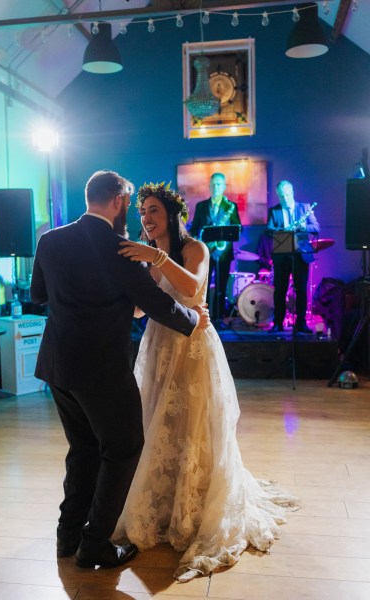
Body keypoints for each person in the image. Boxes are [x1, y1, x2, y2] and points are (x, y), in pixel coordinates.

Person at [115, 182, 299, 581]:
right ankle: (163, 501)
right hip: (159, 345)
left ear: (172, 215)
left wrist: (157, 257)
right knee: (157, 423)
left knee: (196, 421)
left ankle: (197, 502)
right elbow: (135, 312)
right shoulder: (143, 259)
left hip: (194, 344)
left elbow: (194, 288)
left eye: (153, 212)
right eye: (142, 212)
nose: (146, 218)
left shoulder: (195, 248)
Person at [30, 170, 210, 570]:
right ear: (118, 201)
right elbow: (158, 305)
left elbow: (38, 295)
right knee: (123, 447)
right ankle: (94, 543)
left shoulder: (50, 240)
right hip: (102, 369)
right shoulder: (122, 249)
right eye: (130, 203)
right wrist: (195, 320)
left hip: (58, 366)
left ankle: (68, 536)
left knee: (83, 448)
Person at [266, 180, 320, 334]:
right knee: (280, 291)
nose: (285, 198)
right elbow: (268, 229)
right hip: (282, 256)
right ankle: (278, 323)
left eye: (287, 195)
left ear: (293, 192)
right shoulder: (274, 211)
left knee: (301, 290)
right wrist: (284, 230)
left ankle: (301, 323)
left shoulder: (305, 207)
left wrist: (302, 227)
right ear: (278, 196)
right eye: (281, 196)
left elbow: (316, 227)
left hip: (300, 255)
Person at [189, 173, 242, 320]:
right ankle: (202, 318)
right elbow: (194, 229)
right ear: (209, 186)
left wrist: (225, 233)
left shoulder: (231, 206)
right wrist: (198, 238)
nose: (216, 187)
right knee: (203, 288)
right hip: (205, 252)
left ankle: (218, 319)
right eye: (213, 184)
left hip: (224, 252)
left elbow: (239, 228)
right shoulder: (201, 206)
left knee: (221, 287)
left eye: (219, 184)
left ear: (224, 187)